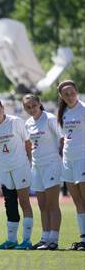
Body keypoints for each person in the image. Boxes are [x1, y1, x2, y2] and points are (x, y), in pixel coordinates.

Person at [0, 98, 34, 250]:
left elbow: (27, 142)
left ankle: (26, 241)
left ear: (2, 107)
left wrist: (29, 162)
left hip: (21, 167)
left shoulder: (16, 121)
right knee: (10, 204)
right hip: (5, 170)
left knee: (24, 202)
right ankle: (11, 240)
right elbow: (0, 149)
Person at [23, 94, 62, 250]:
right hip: (37, 166)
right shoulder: (28, 123)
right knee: (42, 205)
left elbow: (62, 139)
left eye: (34, 105)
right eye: (28, 107)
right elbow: (30, 146)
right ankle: (44, 238)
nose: (32, 109)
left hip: (52, 164)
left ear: (39, 103)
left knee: (53, 204)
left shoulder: (50, 118)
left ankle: (54, 239)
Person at [57, 80, 85, 251]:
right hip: (68, 160)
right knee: (77, 201)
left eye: (72, 92)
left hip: (83, 158)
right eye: (66, 94)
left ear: (77, 91)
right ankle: (83, 239)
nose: (69, 96)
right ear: (61, 96)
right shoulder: (63, 112)